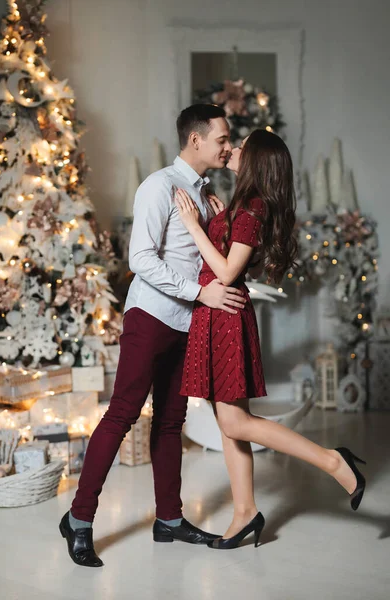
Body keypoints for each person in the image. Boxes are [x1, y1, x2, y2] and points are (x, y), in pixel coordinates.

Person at [59, 104, 249, 567]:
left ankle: (169, 520)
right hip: (151, 316)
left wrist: (217, 228)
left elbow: (202, 258)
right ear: (195, 140)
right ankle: (79, 520)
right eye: (222, 139)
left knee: (170, 421)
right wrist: (199, 294)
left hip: (187, 323)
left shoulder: (205, 195)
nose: (228, 146)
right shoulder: (160, 186)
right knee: (123, 413)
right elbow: (141, 259)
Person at [175, 129, 367, 550]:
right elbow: (227, 256)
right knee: (230, 428)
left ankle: (333, 461)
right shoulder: (245, 206)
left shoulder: (253, 208)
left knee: (234, 422)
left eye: (241, 146)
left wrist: (194, 225)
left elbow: (226, 272)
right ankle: (245, 512)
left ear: (257, 160)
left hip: (224, 316)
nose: (234, 149)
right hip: (214, 314)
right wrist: (219, 220)